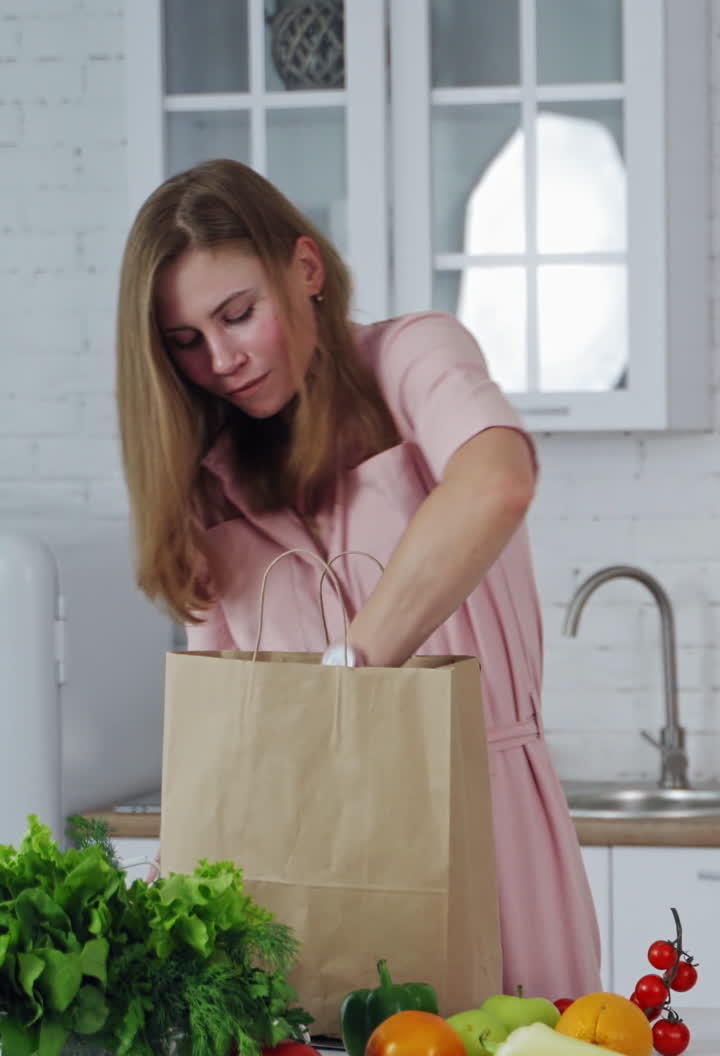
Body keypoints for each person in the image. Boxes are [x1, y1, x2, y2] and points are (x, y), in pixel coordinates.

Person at [116, 157, 601, 999]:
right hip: (323, 878)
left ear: (304, 269)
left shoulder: (412, 357)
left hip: (493, 842)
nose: (221, 359)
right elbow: (230, 753)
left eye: (238, 314)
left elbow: (496, 482)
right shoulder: (206, 484)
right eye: (186, 342)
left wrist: (344, 676)